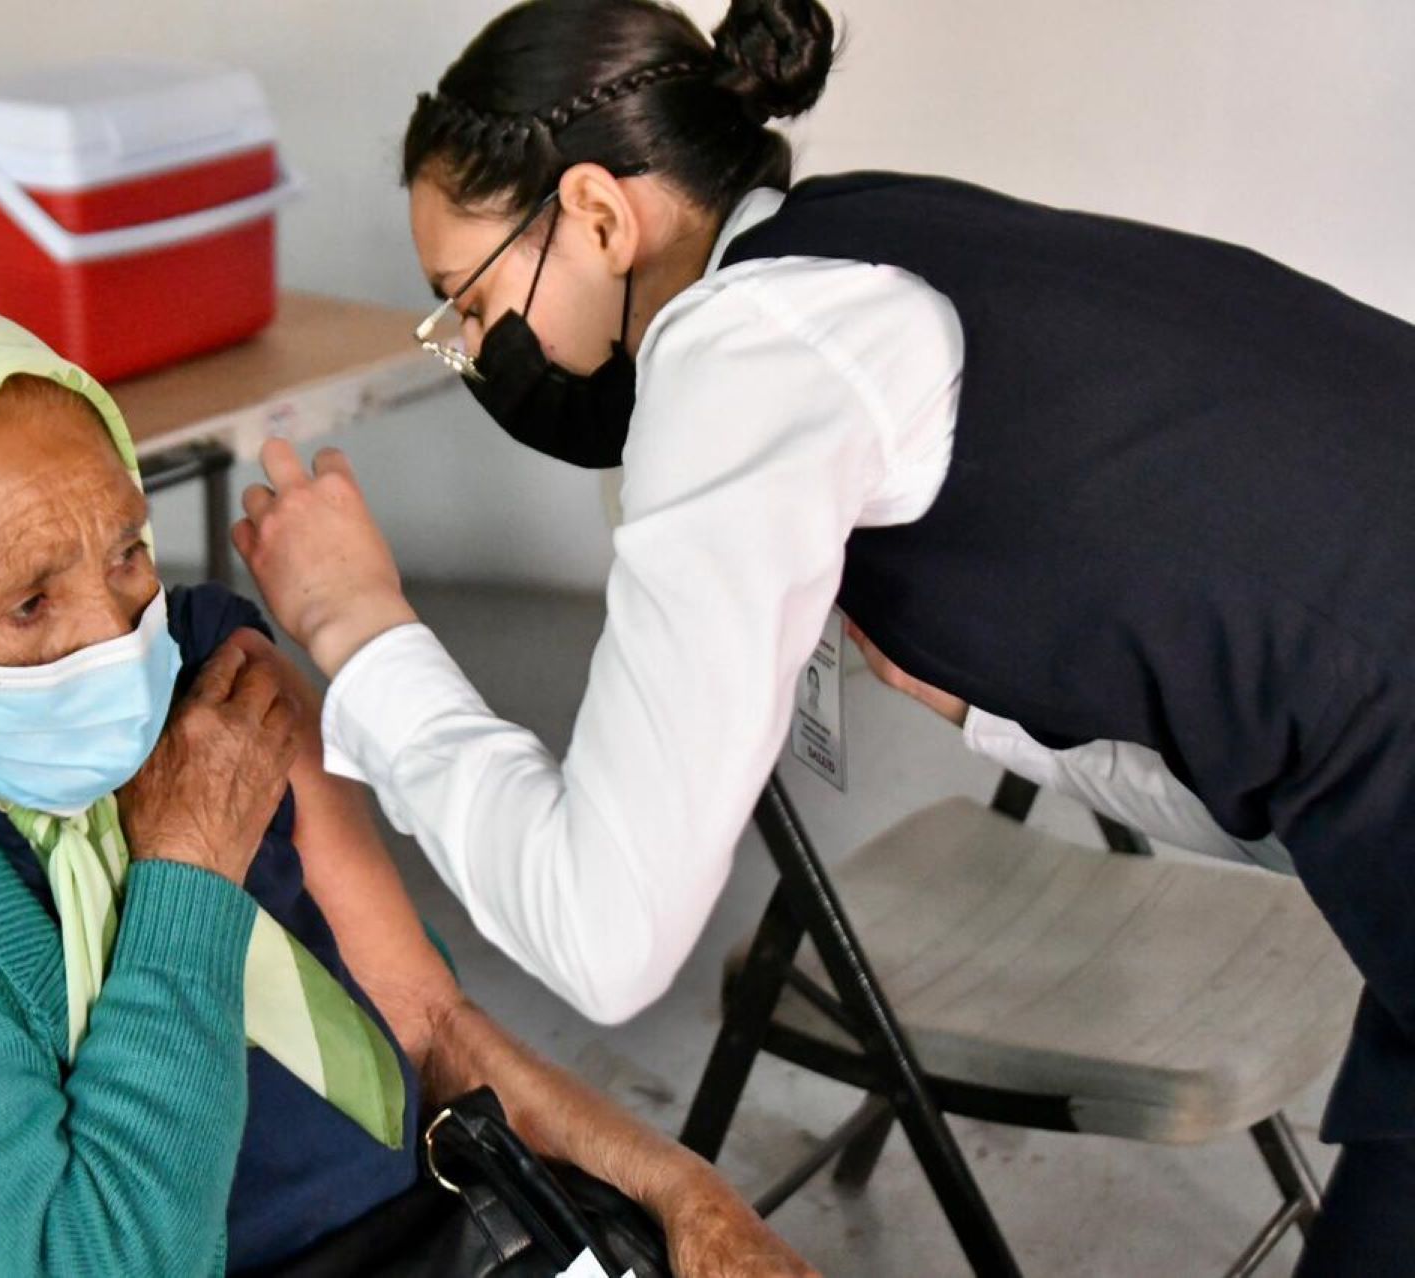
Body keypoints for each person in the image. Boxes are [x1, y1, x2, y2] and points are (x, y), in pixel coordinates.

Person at [228, 1, 1415, 1270]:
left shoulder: (741, 355)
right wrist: (998, 713)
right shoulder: (853, 238)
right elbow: (1278, 727)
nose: (468, 349)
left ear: (597, 216)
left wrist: (361, 627)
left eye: (460, 300)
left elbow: (604, 933)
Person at [0, 302, 810, 1276]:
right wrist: (188, 870)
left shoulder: (209, 682)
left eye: (126, 554)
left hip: (452, 1226)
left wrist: (688, 1197)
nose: (115, 641)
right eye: (28, 605)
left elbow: (426, 1022)